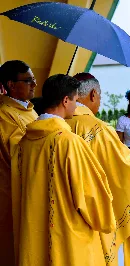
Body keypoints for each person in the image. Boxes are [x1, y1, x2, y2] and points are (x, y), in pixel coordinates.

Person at [13, 74, 116, 266]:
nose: (76, 107)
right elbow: (90, 195)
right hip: (68, 237)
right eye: (76, 100)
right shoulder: (68, 141)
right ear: (65, 100)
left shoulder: (24, 142)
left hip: (33, 232)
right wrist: (106, 219)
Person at [66, 73, 130, 265]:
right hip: (95, 209)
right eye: (99, 98)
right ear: (93, 94)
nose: (99, 103)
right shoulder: (98, 128)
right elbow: (121, 167)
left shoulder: (64, 124)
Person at [0, 60, 38, 264]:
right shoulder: (5, 115)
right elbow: (19, 153)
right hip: (11, 191)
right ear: (11, 85)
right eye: (28, 80)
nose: (34, 84)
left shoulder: (29, 110)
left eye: (33, 79)